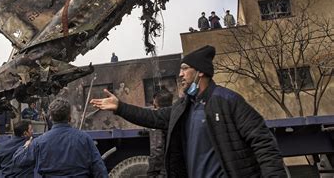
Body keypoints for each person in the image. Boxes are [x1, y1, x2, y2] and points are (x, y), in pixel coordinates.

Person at [91, 45, 287, 177]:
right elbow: (153, 117)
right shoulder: (183, 107)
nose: (180, 74)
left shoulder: (228, 101)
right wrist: (120, 107)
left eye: (185, 69)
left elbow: (264, 143)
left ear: (200, 72)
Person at [13, 98, 107, 177]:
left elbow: (18, 161)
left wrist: (26, 146)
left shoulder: (39, 142)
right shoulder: (84, 139)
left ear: (50, 118)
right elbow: (99, 170)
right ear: (69, 117)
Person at [148, 90, 173, 178]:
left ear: (156, 104)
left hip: (162, 169)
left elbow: (157, 149)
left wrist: (152, 172)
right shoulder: (175, 115)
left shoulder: (157, 120)